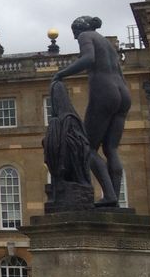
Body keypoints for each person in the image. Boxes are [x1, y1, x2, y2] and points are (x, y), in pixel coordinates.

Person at [51, 16, 132, 208]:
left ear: (79, 29)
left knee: (87, 147)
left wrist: (61, 74)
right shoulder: (106, 43)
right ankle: (113, 199)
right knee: (111, 149)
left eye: (74, 33)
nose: (75, 37)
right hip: (123, 93)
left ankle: (109, 195)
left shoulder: (86, 36)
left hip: (105, 91)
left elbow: (88, 58)